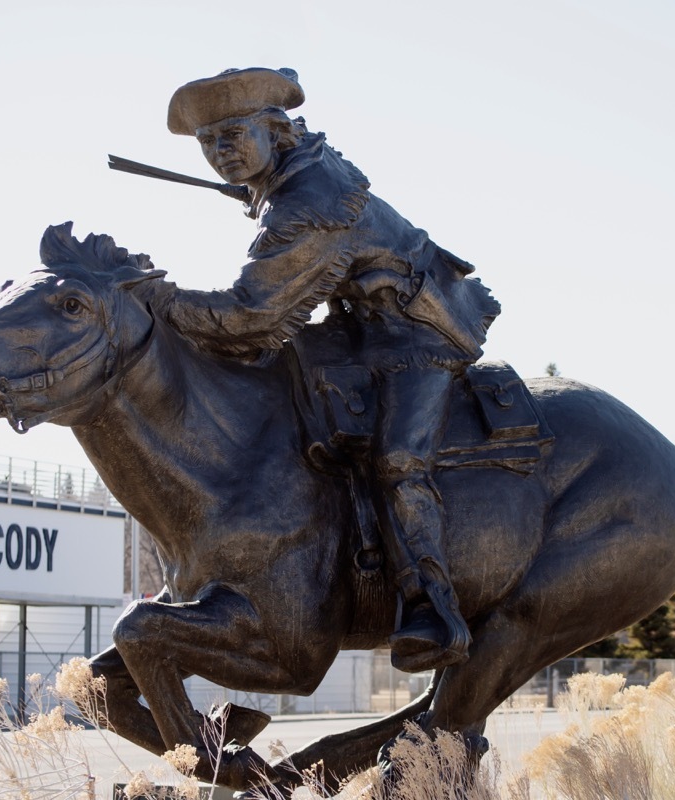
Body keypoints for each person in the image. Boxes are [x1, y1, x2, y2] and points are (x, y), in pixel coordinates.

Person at [161, 67, 500, 672]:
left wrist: (160, 303)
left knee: (399, 459)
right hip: (360, 329)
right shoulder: (295, 175)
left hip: (418, 332)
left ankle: (432, 605)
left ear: (275, 129)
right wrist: (257, 191)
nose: (222, 152)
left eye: (234, 135)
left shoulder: (307, 205)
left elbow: (254, 312)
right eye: (210, 143)